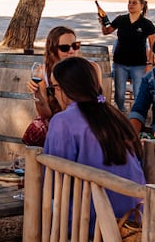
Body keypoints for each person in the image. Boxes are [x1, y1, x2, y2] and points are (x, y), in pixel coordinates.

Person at [43, 57, 145, 227]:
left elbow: (53, 181)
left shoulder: (63, 121)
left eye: (54, 88)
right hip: (132, 219)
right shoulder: (116, 116)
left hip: (90, 222)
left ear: (63, 89)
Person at [100, 0, 155, 111]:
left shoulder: (146, 24)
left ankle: (136, 117)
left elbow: (153, 46)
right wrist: (102, 22)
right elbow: (107, 31)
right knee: (119, 94)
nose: (130, 5)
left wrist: (150, 64)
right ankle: (122, 113)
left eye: (134, 3)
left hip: (139, 65)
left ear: (142, 6)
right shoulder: (121, 19)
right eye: (129, 2)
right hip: (120, 63)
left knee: (138, 93)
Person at [27, 26, 82, 122]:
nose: (72, 51)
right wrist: (37, 94)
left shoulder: (91, 68)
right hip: (59, 124)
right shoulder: (43, 73)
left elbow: (102, 98)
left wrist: (100, 100)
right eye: (64, 48)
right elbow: (45, 115)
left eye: (75, 45)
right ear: (53, 50)